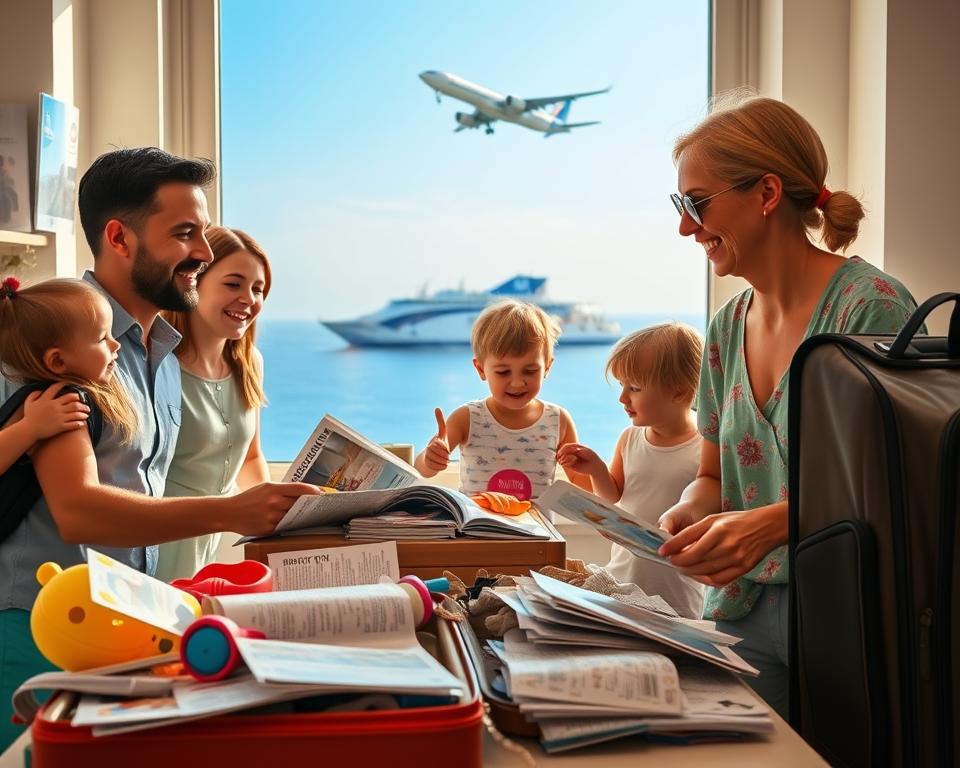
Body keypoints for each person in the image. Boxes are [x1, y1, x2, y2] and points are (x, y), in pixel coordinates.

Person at [0, 148, 319, 749]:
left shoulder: (163, 354)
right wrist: (229, 512)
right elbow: (79, 511)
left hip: (116, 625)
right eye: (184, 233)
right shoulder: (60, 338)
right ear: (119, 238)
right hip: (36, 623)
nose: (202, 250)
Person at [656, 95, 919, 717]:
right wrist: (687, 517)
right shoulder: (725, 329)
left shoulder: (870, 310)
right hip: (739, 610)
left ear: (767, 193)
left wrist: (772, 524)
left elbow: (903, 487)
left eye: (696, 203)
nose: (685, 227)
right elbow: (714, 475)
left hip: (848, 611)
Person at [556, 323, 705, 619]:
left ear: (679, 392)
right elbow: (613, 496)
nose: (622, 398)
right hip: (623, 579)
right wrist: (597, 471)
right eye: (623, 386)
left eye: (634, 388)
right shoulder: (630, 438)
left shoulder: (705, 447)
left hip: (678, 591)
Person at [154, 226, 273, 582]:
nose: (249, 299)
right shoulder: (157, 363)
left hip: (206, 556)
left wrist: (277, 523)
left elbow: (250, 457)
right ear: (195, 282)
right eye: (233, 284)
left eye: (258, 289)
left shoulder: (250, 362)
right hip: (155, 547)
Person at [414, 299, 591, 500]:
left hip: (536, 531)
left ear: (547, 367)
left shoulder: (558, 421)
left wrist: (591, 468)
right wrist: (430, 459)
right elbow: (422, 471)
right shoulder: (466, 418)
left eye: (530, 371)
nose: (517, 383)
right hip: (479, 531)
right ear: (481, 369)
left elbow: (583, 488)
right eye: (503, 372)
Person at [0, 277, 134, 479]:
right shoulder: (50, 403)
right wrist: (30, 428)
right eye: (102, 338)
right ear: (58, 361)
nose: (116, 345)